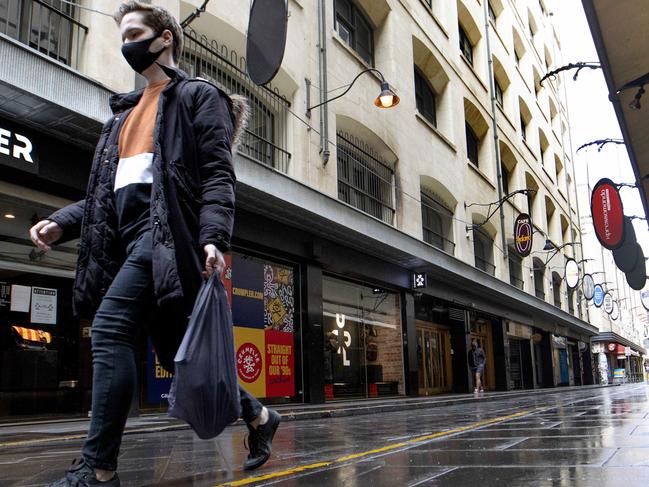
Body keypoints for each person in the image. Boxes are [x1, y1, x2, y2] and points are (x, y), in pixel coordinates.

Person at [31, 3, 279, 486]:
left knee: (107, 331)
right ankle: (260, 417)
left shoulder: (197, 97)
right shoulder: (120, 116)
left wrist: (213, 239)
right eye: (122, 34)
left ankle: (97, 470)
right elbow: (106, 196)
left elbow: (216, 176)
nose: (127, 43)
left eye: (135, 33)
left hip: (166, 240)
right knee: (177, 356)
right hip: (125, 243)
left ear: (165, 38)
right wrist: (62, 222)